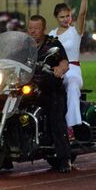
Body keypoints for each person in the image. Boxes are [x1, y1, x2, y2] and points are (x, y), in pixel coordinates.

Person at [27, 14, 72, 173]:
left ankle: (64, 158)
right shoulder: (24, 45)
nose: (32, 31)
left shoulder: (53, 43)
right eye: (30, 28)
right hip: (27, 87)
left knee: (55, 116)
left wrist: (60, 68)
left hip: (49, 87)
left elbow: (64, 61)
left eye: (36, 28)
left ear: (43, 29)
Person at [50, 0, 89, 141]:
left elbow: (82, 13)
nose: (66, 19)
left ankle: (71, 127)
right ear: (56, 18)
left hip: (72, 70)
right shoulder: (51, 35)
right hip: (55, 71)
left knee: (72, 86)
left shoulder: (75, 32)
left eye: (68, 16)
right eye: (62, 17)